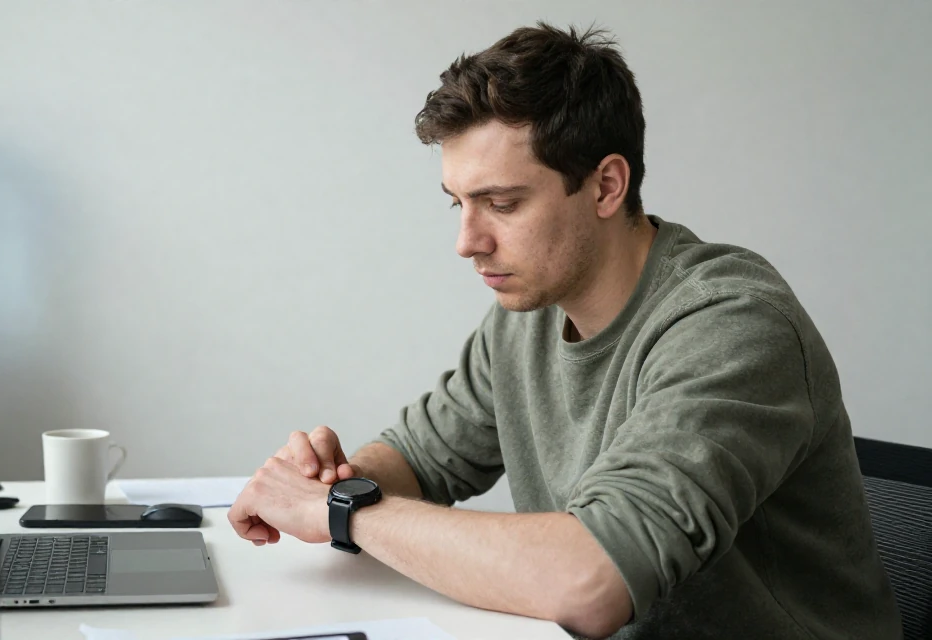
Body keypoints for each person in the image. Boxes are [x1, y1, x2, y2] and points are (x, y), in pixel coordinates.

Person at [227, 22, 901, 639]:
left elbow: (592, 581)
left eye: (502, 203)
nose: (467, 242)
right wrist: (336, 483)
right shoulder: (531, 312)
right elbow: (421, 460)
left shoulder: (733, 325)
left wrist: (345, 515)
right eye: (458, 204)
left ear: (607, 186)